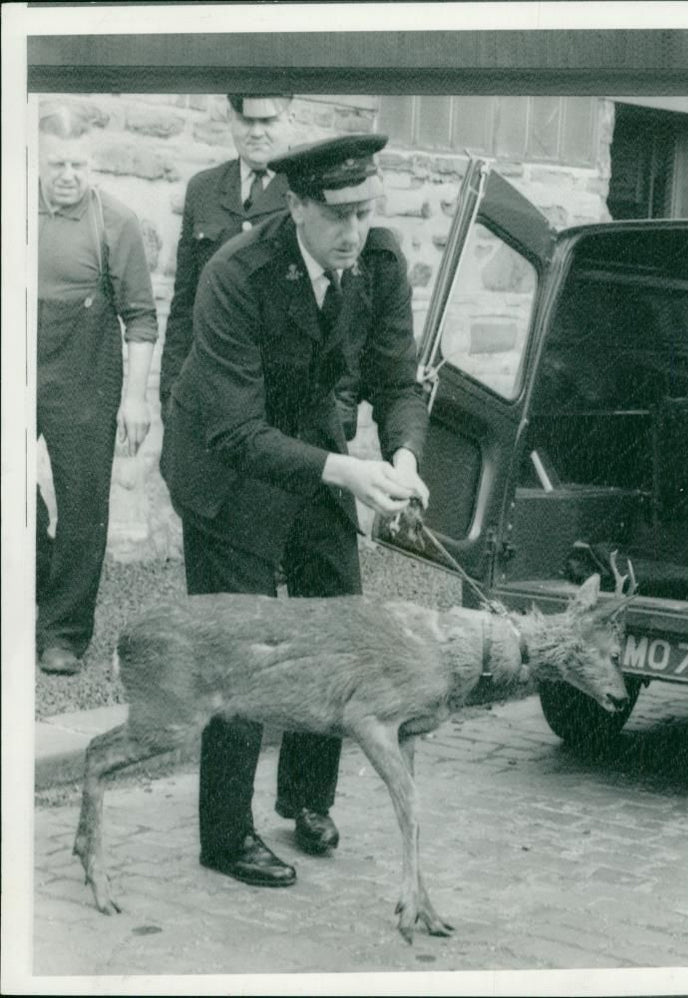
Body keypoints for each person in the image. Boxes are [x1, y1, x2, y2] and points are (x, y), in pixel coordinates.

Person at [160, 133, 429, 888]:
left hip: (310, 454)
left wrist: (403, 458)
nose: (354, 230)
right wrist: (350, 470)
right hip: (225, 469)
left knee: (337, 622)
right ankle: (225, 835)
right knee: (245, 645)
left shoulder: (377, 262)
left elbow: (399, 382)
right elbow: (238, 431)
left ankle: (308, 798)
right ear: (299, 206)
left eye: (365, 211)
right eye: (338, 214)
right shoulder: (236, 273)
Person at [37, 105, 158, 676]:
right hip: (20, 365)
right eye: (57, 162)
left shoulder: (117, 222)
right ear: (38, 158)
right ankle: (40, 577)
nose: (68, 174)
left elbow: (140, 318)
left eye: (78, 164)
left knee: (84, 508)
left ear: (93, 162)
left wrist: (135, 398)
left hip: (86, 372)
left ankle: (63, 633)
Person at [158, 94, 294, 409]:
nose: (257, 132)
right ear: (230, 119)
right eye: (247, 120)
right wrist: (171, 390)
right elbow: (184, 302)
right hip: (208, 388)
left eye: (269, 121)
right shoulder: (203, 189)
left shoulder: (307, 191)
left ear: (291, 120)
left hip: (278, 394)